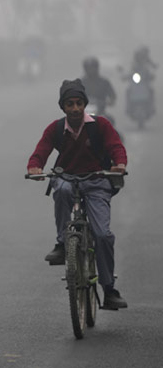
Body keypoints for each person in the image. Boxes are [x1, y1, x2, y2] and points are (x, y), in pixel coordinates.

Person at [27, 79, 128, 310]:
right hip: (68, 179)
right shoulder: (55, 129)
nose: (74, 108)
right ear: (63, 107)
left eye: (79, 103)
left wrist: (120, 163)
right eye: (70, 104)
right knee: (60, 189)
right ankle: (63, 244)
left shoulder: (100, 125)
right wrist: (34, 166)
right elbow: (40, 153)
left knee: (103, 235)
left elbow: (116, 148)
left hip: (96, 181)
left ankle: (109, 289)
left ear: (85, 104)